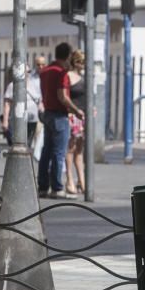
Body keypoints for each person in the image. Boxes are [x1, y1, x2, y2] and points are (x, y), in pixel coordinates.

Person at [38, 42, 83, 200]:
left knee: (46, 151)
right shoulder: (61, 73)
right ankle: (57, 187)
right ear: (69, 55)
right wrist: (76, 111)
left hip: (48, 113)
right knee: (58, 152)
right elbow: (63, 96)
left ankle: (43, 186)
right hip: (59, 115)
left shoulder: (45, 71)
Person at [1, 55, 46, 150]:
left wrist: (42, 108)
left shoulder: (34, 84)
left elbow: (39, 99)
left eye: (29, 71)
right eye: (25, 72)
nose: (27, 74)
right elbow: (7, 104)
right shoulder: (12, 86)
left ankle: (26, 158)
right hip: (18, 119)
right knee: (19, 143)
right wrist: (5, 121)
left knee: (29, 144)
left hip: (33, 118)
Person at [64, 49, 87, 195]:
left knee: (79, 150)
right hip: (73, 116)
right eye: (81, 62)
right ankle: (70, 180)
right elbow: (65, 96)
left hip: (83, 116)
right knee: (70, 149)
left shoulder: (83, 76)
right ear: (75, 62)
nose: (83, 65)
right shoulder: (69, 76)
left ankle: (82, 181)